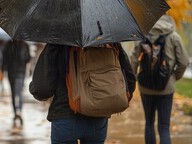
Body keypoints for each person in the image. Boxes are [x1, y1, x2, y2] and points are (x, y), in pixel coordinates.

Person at [29, 43, 136, 144]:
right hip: (97, 118)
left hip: (65, 117)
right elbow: (130, 80)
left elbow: (42, 89)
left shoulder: (57, 40)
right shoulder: (108, 39)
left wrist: (33, 88)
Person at [130, 14, 188, 144]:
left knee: (149, 123)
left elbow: (133, 61)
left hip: (145, 87)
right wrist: (173, 77)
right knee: (164, 127)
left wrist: (133, 80)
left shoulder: (141, 36)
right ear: (168, 21)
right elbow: (183, 62)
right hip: (166, 88)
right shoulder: (173, 36)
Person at [3, 40, 31, 125]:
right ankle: (19, 111)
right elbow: (28, 58)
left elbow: (5, 58)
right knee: (19, 92)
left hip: (11, 71)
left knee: (13, 92)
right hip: (21, 71)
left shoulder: (8, 44)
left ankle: (15, 112)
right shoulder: (25, 44)